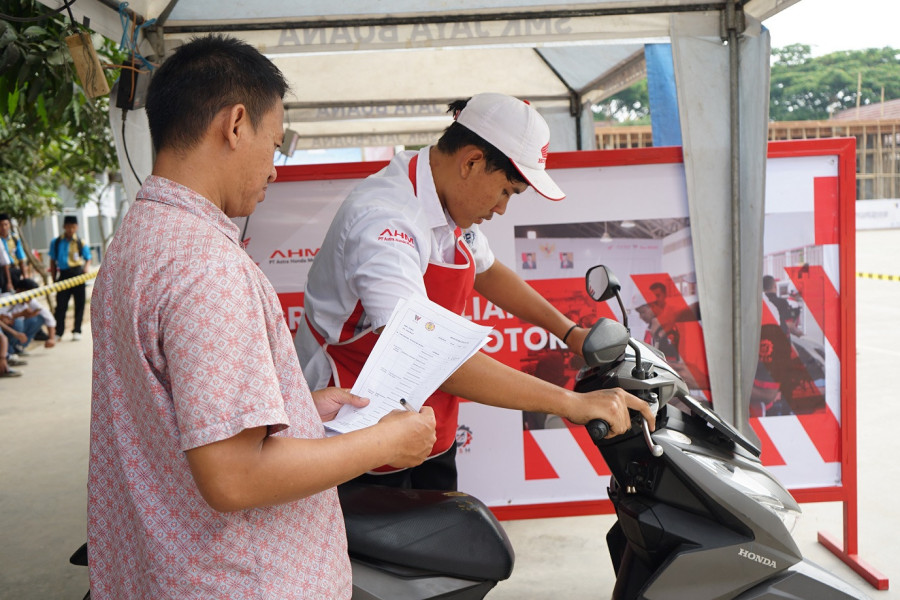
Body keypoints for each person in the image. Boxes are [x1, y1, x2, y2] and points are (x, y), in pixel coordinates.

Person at [88, 34, 436, 600]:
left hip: (166, 570)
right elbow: (234, 475)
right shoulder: (208, 268)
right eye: (274, 145)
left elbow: (167, 411)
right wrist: (384, 445)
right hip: (239, 580)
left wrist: (297, 408)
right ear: (235, 124)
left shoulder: (138, 241)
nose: (274, 169)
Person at [296, 92, 655, 491]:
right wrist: (571, 403)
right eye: (507, 191)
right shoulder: (385, 221)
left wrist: (570, 333)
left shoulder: (446, 196)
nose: (502, 209)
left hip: (424, 417)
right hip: (353, 429)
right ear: (471, 162)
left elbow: (488, 272)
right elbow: (423, 350)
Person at [48, 215, 91, 341]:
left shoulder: (80, 242)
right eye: (68, 227)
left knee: (79, 304)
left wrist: (86, 268)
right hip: (63, 275)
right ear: (64, 227)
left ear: (76, 227)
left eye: (73, 227)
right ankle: (59, 332)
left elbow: (88, 258)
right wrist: (54, 278)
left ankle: (77, 330)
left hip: (78, 275)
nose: (71, 229)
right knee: (61, 305)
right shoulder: (56, 242)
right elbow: (52, 261)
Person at [0, 278, 58, 353]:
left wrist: (51, 338)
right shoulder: (6, 299)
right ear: (19, 290)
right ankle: (8, 352)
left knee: (39, 318)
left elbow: (48, 316)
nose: (31, 297)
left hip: (17, 331)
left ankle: (19, 347)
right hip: (8, 331)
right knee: (18, 323)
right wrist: (19, 315)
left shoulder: (30, 301)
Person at [0, 213, 28, 292]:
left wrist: (25, 277)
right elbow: (4, 263)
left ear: (9, 225)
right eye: (1, 225)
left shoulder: (15, 238)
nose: (3, 227)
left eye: (5, 224)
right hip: (2, 273)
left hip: (14, 270)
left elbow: (21, 258)